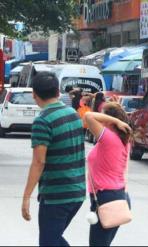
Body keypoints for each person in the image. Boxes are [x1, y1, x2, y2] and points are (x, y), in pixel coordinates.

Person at [21, 72, 86, 246]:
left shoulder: (43, 121)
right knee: (54, 240)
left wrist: (26, 197)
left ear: (34, 94)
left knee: (49, 242)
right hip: (77, 192)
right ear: (58, 92)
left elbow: (39, 161)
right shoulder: (73, 114)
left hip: (57, 195)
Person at [84, 102, 132, 246]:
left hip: (106, 197)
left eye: (103, 116)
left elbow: (88, 116)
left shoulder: (109, 138)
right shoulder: (122, 140)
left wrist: (116, 120)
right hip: (116, 195)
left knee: (97, 244)